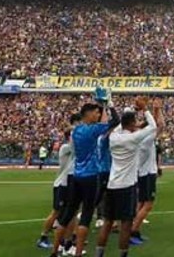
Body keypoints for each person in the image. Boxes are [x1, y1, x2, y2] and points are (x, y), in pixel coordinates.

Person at [51, 101, 118, 257]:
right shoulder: (92, 130)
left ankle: (54, 251)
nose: (97, 115)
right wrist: (109, 105)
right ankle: (78, 253)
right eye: (95, 112)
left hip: (76, 175)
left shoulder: (76, 131)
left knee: (67, 215)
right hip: (91, 176)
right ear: (88, 114)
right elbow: (115, 121)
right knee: (86, 216)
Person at [94, 101, 157, 257]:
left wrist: (112, 106)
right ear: (131, 124)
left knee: (108, 222)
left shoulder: (114, 136)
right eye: (135, 122)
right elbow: (153, 126)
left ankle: (99, 254)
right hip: (127, 186)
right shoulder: (132, 138)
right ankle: (123, 254)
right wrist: (145, 109)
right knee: (126, 224)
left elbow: (118, 123)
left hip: (112, 184)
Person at [128, 97, 161, 245]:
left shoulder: (134, 137)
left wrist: (154, 111)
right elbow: (155, 126)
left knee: (140, 203)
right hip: (147, 173)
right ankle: (133, 230)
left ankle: (134, 229)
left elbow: (150, 125)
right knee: (148, 204)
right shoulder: (145, 140)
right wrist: (147, 109)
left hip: (141, 173)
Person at [38, 129, 74, 250]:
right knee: (56, 212)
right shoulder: (66, 147)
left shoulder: (69, 148)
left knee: (65, 212)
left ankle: (64, 240)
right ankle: (43, 237)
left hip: (67, 183)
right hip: (61, 184)